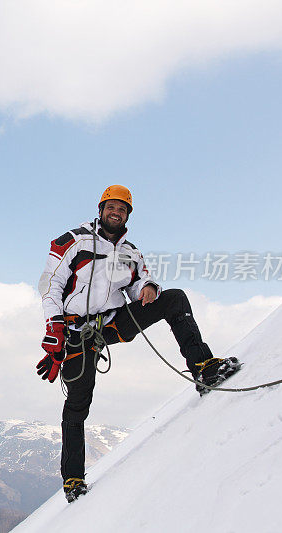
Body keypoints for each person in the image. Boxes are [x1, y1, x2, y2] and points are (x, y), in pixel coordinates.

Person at [35, 185, 240, 503]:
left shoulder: (130, 252)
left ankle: (203, 368)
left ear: (127, 215)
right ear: (101, 209)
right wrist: (55, 328)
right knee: (78, 403)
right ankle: (73, 479)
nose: (116, 213)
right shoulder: (73, 241)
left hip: (111, 323)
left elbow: (139, 281)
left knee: (173, 299)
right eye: (111, 207)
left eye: (123, 209)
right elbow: (51, 284)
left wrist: (147, 288)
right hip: (76, 333)